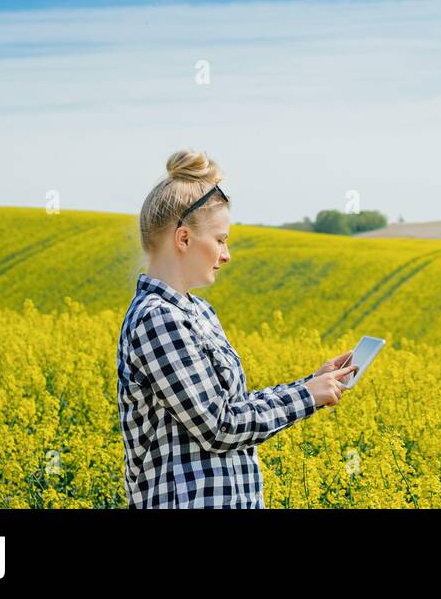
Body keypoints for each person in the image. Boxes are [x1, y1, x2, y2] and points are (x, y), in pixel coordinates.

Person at [117, 148, 356, 507]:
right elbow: (220, 426)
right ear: (183, 239)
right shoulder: (157, 319)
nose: (226, 255)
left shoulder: (197, 313)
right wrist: (306, 397)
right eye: (220, 240)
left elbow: (234, 406)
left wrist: (310, 383)